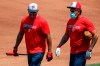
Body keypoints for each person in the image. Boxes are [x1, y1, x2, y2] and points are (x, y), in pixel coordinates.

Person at [55, 2, 98, 66]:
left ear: (78, 11)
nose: (71, 12)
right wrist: (59, 46)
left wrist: (90, 49)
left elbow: (95, 36)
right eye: (70, 10)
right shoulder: (70, 21)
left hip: (82, 52)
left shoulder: (85, 21)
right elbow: (66, 35)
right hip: (72, 52)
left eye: (73, 10)